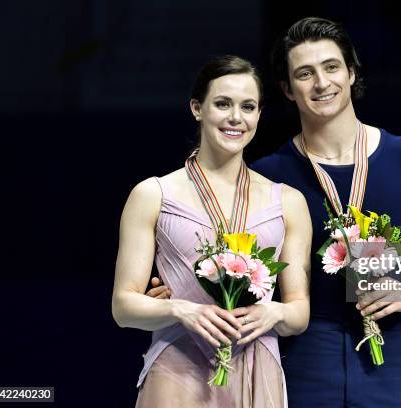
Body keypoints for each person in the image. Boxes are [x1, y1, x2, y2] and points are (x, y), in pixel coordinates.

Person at [150, 17, 401, 407]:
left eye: (331, 67)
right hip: (302, 367)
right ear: (288, 90)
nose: (322, 83)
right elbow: (230, 257)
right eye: (305, 74)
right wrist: (179, 288)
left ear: (352, 73)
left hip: (394, 363)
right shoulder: (270, 175)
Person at [112, 55, 312, 408]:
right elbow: (123, 307)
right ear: (197, 108)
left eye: (248, 106)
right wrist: (181, 310)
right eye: (222, 104)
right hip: (178, 365)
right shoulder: (153, 194)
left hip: (256, 367)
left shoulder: (289, 202)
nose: (236, 117)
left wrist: (274, 313)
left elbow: (299, 313)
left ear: (259, 116)